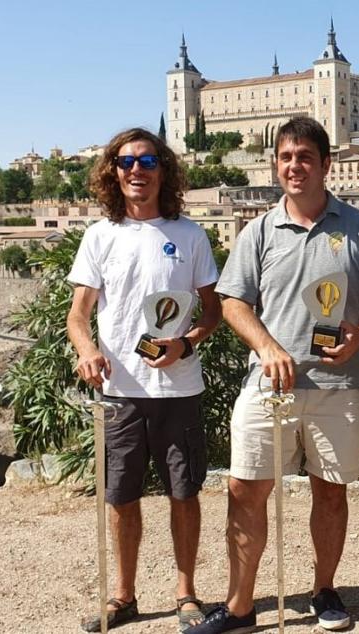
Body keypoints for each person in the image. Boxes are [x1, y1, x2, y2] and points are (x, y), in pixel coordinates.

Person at [188, 116, 359, 634]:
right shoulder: (257, 232)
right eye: (285, 158)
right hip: (267, 386)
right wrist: (268, 346)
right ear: (275, 166)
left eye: (304, 157)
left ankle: (324, 590)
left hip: (343, 388)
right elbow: (232, 303)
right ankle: (239, 606)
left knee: (330, 492)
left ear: (326, 164)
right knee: (243, 489)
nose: (294, 166)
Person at [67, 127, 221, 632]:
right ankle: (124, 596)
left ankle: (186, 594)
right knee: (120, 497)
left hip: (178, 388)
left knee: (184, 492)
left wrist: (186, 343)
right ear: (113, 171)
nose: (137, 170)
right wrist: (88, 350)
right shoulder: (100, 236)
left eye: (148, 162)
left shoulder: (190, 235)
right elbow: (78, 316)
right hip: (120, 391)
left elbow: (214, 312)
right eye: (127, 161)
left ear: (163, 170)